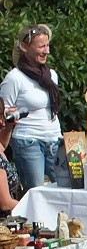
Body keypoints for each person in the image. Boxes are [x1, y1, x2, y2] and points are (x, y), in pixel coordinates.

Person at [0, 23, 61, 191]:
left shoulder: (51, 75)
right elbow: (3, 114)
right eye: (41, 46)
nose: (46, 51)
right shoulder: (15, 78)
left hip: (54, 139)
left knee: (65, 187)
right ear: (25, 47)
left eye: (47, 45)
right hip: (29, 141)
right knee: (36, 191)